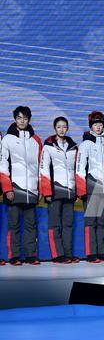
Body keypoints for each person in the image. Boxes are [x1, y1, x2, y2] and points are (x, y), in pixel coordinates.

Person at [0, 106, 42, 265]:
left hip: (32, 189)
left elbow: (40, 166)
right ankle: (14, 256)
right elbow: (2, 165)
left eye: (25, 118)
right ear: (15, 119)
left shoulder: (36, 140)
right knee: (14, 225)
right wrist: (7, 188)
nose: (22, 121)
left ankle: (31, 256)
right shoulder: (7, 139)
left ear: (29, 119)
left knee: (31, 225)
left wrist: (39, 188)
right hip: (14, 189)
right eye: (19, 118)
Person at [40, 116, 79, 263]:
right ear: (54, 128)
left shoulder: (74, 147)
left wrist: (77, 190)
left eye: (64, 126)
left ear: (67, 128)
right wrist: (47, 192)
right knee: (55, 224)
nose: (62, 129)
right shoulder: (48, 146)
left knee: (68, 224)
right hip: (55, 191)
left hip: (70, 191)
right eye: (59, 127)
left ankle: (68, 254)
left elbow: (77, 169)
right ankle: (57, 255)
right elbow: (43, 169)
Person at [76, 111, 104, 263]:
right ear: (91, 126)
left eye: (100, 124)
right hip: (91, 185)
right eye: (95, 124)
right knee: (91, 221)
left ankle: (101, 252)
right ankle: (91, 253)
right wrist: (82, 190)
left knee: (101, 221)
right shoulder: (85, 144)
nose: (98, 127)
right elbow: (80, 167)